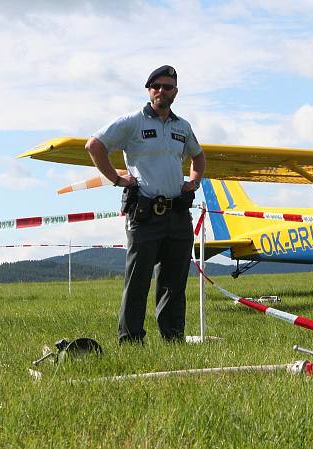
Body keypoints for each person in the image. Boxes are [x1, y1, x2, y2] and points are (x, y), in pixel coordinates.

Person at [85, 65, 206, 344]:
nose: (161, 91)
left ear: (175, 91)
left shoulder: (182, 127)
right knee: (138, 280)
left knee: (174, 282)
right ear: (149, 90)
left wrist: (194, 181)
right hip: (145, 213)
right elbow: (95, 145)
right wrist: (115, 178)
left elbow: (198, 157)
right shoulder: (133, 122)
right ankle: (131, 340)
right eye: (156, 87)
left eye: (167, 86)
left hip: (177, 213)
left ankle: (173, 339)